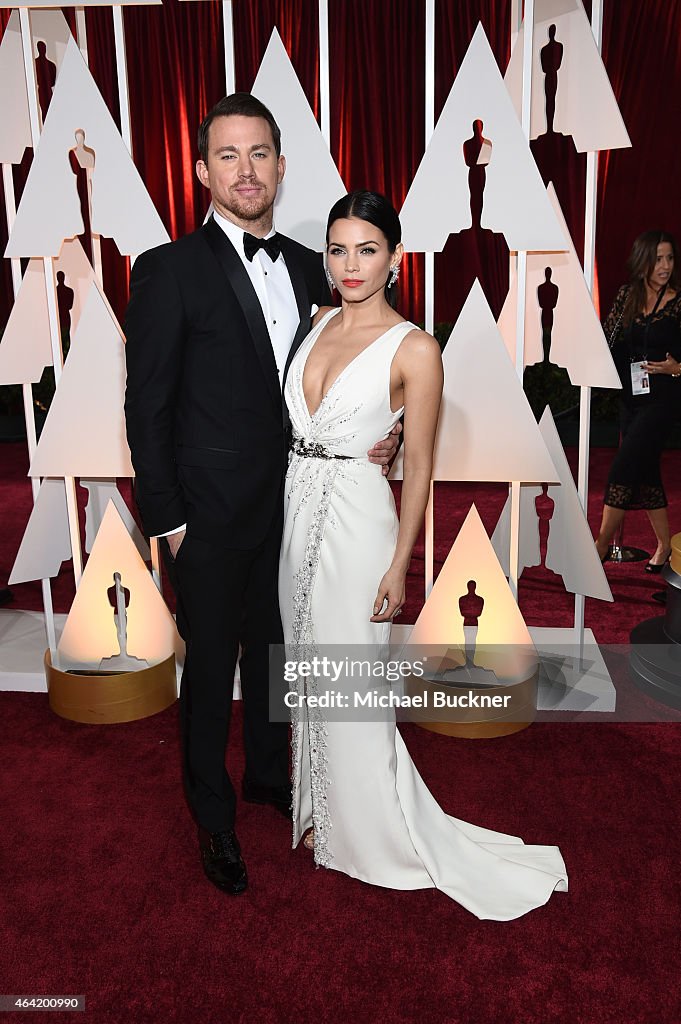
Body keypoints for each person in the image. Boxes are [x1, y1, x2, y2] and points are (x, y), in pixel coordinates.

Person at [124, 95, 399, 896]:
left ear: (281, 166)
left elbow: (372, 366)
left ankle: (271, 778)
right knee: (210, 672)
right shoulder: (168, 269)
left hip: (304, 510)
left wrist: (391, 433)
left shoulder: (317, 267)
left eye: (260, 154)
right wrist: (168, 521)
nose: (246, 170)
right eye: (228, 155)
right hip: (205, 520)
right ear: (204, 170)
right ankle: (212, 816)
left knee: (283, 656)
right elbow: (147, 409)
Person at [279, 191, 568, 920]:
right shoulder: (311, 326)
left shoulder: (415, 348)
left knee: (355, 688)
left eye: (366, 249)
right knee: (311, 670)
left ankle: (372, 836)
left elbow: (421, 465)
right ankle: (316, 812)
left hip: (358, 522)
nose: (350, 265)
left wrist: (399, 564)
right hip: (295, 509)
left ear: (395, 260)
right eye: (338, 249)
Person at [595, 231, 681, 571]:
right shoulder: (626, 296)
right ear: (643, 260)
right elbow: (607, 339)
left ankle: (599, 546)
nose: (665, 266)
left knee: (623, 467)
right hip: (630, 397)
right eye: (658, 258)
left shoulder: (678, 301)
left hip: (664, 399)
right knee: (646, 474)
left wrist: (677, 367)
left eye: (670, 258)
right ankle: (664, 547)